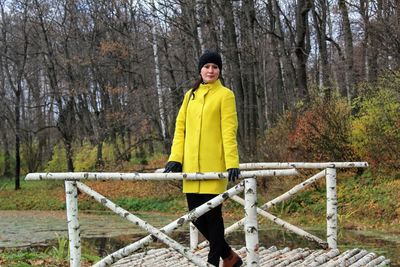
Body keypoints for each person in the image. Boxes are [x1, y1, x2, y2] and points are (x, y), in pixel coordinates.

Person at [164, 50, 242, 267]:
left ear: (219, 71)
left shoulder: (225, 95)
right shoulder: (190, 95)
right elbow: (180, 128)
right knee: (196, 216)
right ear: (200, 69)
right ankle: (229, 257)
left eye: (215, 67)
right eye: (207, 66)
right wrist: (175, 157)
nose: (210, 70)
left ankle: (212, 262)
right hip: (191, 166)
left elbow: (229, 130)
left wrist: (232, 162)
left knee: (213, 216)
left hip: (213, 165)